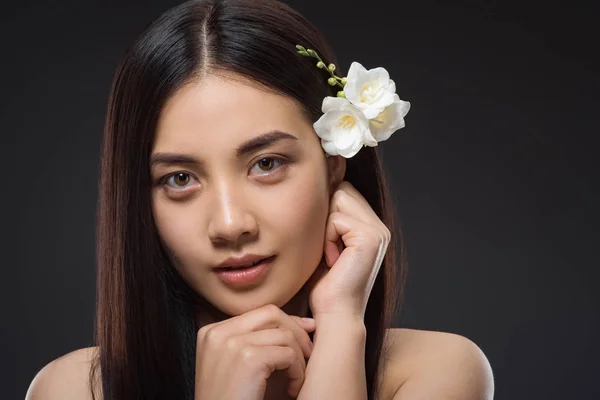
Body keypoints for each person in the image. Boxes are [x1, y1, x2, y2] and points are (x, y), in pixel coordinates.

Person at [25, 0, 494, 399]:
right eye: (181, 178)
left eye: (266, 164)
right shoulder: (76, 389)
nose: (230, 224)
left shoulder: (433, 372)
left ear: (335, 161)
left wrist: (341, 328)